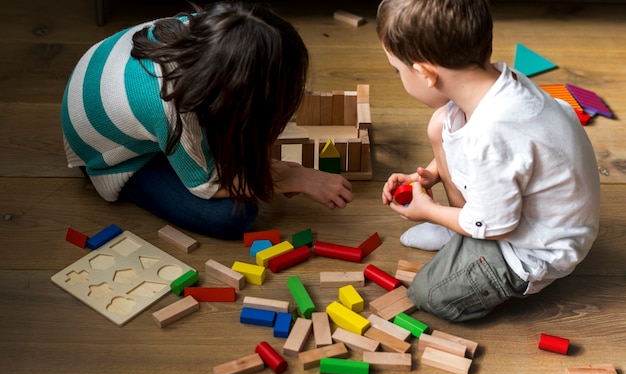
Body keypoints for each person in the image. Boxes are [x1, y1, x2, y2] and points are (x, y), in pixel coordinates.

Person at [377, 0, 600, 321]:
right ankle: (458, 230)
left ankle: (459, 230)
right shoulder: (497, 84)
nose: (398, 76)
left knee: (429, 293)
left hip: (536, 248)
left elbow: (495, 226)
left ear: (425, 73)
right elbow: (470, 146)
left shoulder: (493, 136)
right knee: (441, 124)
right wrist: (430, 175)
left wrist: (430, 212)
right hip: (516, 207)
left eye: (397, 70)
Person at [61, 2, 353, 239]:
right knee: (234, 214)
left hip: (103, 94)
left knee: (241, 164)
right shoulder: (174, 110)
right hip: (106, 156)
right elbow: (205, 185)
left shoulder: (215, 29)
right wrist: (292, 177)